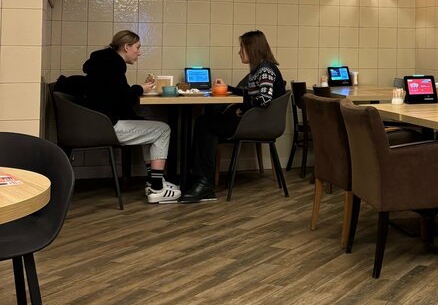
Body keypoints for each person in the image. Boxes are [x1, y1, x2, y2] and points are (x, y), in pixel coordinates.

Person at [180, 30, 286, 203]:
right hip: (256, 120)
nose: (239, 52)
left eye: (241, 48)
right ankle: (200, 179)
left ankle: (202, 181)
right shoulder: (259, 69)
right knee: (206, 123)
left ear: (252, 48)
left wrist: (243, 108)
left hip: (259, 123)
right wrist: (228, 88)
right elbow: (250, 93)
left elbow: (264, 100)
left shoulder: (265, 70)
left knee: (205, 124)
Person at [82, 30, 181, 203]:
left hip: (97, 123)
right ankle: (157, 189)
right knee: (163, 129)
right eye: (137, 47)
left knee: (149, 129)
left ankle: (152, 181)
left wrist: (136, 93)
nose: (139, 52)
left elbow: (114, 97)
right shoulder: (114, 66)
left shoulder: (103, 63)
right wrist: (139, 89)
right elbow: (122, 100)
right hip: (108, 127)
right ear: (126, 47)